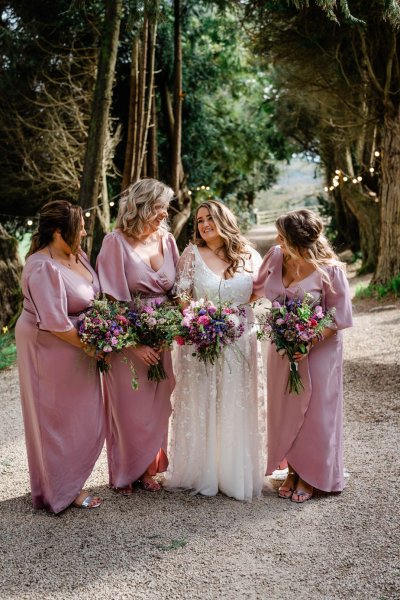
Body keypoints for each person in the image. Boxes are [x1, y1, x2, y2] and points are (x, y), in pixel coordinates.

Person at [164, 200, 266, 501]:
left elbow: (260, 290)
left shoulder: (248, 254)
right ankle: (203, 471)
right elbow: (181, 293)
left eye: (209, 218)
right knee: (203, 398)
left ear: (224, 219)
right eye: (199, 220)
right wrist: (196, 318)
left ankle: (233, 472)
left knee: (234, 401)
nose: (204, 224)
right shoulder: (191, 255)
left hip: (240, 340)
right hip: (201, 340)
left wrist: (237, 315)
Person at [253, 209, 353, 503]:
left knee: (316, 412)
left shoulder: (330, 269)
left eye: (282, 237)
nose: (276, 240)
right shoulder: (274, 257)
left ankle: (312, 475)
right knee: (285, 409)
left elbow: (339, 316)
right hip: (281, 348)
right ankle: (294, 469)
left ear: (298, 242)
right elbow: (255, 289)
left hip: (320, 348)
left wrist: (308, 341)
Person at [15, 200, 105, 512]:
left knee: (85, 415)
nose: (84, 229)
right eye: (78, 225)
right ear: (57, 232)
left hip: (76, 341)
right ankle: (61, 490)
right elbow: (54, 321)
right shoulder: (42, 267)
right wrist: (90, 346)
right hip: (49, 345)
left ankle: (68, 480)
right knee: (55, 416)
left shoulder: (75, 253)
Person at [96, 178, 179, 494]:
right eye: (160, 207)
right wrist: (133, 345)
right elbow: (111, 301)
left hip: (163, 337)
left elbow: (177, 291)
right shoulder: (114, 243)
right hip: (129, 337)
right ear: (142, 205)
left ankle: (149, 469)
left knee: (159, 405)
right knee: (130, 408)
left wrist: (173, 328)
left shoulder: (167, 240)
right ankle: (126, 471)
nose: (164, 213)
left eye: (165, 207)